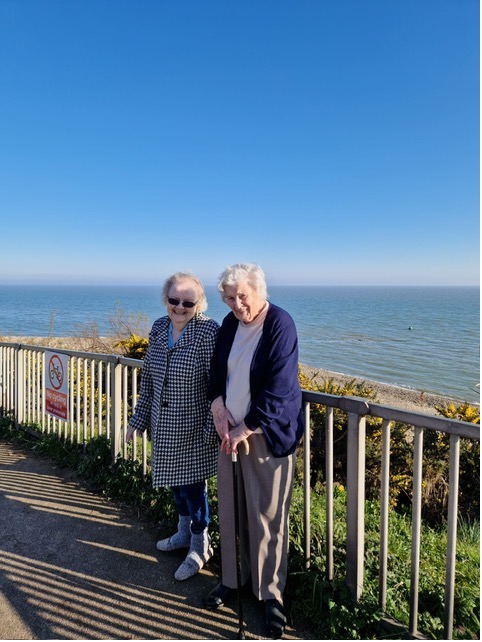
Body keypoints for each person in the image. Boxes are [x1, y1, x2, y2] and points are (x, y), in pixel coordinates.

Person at [203, 263, 304, 638]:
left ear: (259, 289)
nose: (237, 304)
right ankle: (234, 579)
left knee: (267, 517)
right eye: (229, 298)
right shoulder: (230, 324)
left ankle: (270, 596)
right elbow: (217, 370)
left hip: (264, 436)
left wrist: (244, 428)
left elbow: (278, 390)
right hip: (229, 432)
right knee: (231, 510)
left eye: (242, 295)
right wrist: (217, 407)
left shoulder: (280, 324)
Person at [126, 272, 219, 581]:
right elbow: (149, 380)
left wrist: (209, 433)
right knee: (176, 485)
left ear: (200, 303)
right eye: (174, 300)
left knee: (194, 491)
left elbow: (216, 387)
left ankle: (200, 544)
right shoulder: (158, 327)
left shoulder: (207, 333)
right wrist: (137, 420)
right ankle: (182, 533)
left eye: (188, 302)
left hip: (194, 432)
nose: (180, 307)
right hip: (163, 428)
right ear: (165, 299)